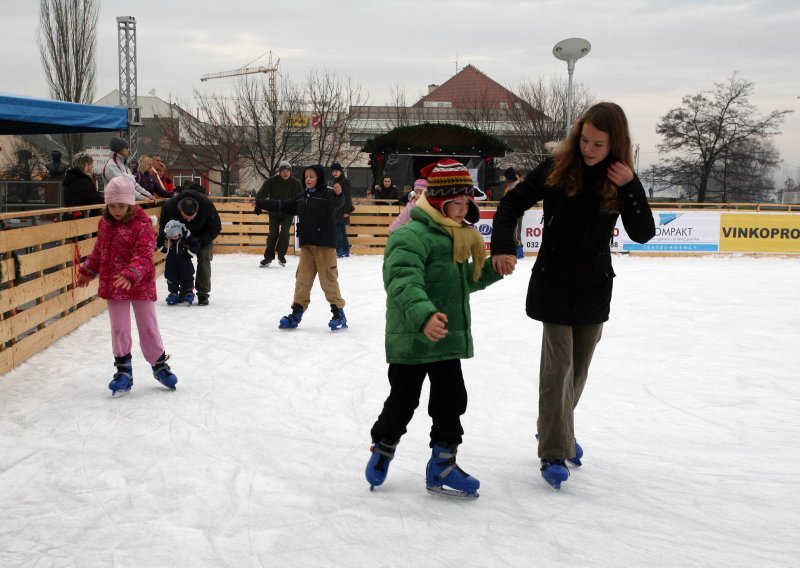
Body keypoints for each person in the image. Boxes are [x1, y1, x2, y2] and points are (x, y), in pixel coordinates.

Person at [490, 102, 656, 490]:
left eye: (598, 143)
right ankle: (553, 448)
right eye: (584, 140)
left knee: (578, 370)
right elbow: (512, 202)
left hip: (595, 285)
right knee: (558, 368)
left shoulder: (620, 178)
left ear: (615, 143)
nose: (589, 148)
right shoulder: (557, 167)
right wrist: (501, 245)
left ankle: (554, 429)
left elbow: (643, 232)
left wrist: (631, 186)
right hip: (554, 279)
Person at [365, 158, 503, 500]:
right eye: (458, 202)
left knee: (452, 400)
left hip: (444, 338)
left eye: (467, 202)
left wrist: (493, 270)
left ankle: (443, 462)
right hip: (413, 338)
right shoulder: (410, 235)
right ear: (441, 201)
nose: (464, 209)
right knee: (403, 401)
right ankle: (383, 446)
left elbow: (460, 285)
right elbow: (402, 281)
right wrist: (424, 315)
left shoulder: (456, 236)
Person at [75, 176, 179, 397]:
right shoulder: (105, 224)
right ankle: (123, 371)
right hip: (115, 285)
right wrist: (87, 271)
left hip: (139, 283)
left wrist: (131, 274)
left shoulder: (141, 225)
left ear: (131, 203)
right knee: (119, 329)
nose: (116, 210)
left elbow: (144, 255)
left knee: (148, 327)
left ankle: (159, 365)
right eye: (111, 205)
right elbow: (98, 252)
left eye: (121, 205)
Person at [253, 164, 347, 331]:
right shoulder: (302, 197)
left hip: (325, 245)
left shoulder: (327, 193)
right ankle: (296, 313)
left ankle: (338, 313)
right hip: (307, 246)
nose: (308, 179)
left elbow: (337, 203)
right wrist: (260, 202)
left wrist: (339, 194)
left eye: (311, 176)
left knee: (328, 280)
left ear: (319, 178)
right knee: (302, 280)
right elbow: (282, 204)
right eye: (306, 177)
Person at [158, 185, 221, 306]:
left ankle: (203, 293)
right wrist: (165, 239)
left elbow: (216, 227)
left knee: (204, 258)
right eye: (184, 217)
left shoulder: (206, 205)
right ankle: (184, 290)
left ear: (197, 210)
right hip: (180, 238)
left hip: (202, 235)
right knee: (180, 260)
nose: (188, 220)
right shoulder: (169, 206)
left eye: (191, 218)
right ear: (179, 209)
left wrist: (198, 242)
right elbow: (163, 228)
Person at [255, 161, 303, 267]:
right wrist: (259, 204)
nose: (285, 173)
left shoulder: (296, 183)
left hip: (288, 213)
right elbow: (262, 193)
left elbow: (301, 197)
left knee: (285, 233)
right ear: (280, 172)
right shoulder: (272, 181)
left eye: (287, 171)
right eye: (283, 171)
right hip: (274, 212)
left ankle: (281, 254)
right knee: (272, 235)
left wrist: (302, 210)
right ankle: (268, 257)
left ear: (290, 172)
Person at [157, 219, 201, 305]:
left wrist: (187, 251)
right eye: (170, 236)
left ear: (180, 233)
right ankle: (173, 293)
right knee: (171, 276)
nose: (172, 238)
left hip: (184, 259)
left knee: (187, 275)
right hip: (171, 260)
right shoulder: (165, 236)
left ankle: (188, 292)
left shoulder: (186, 236)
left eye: (174, 236)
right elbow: (159, 242)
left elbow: (196, 243)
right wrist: (164, 245)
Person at [102, 137, 154, 201]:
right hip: (115, 205)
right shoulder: (111, 166)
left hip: (126, 204)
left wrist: (149, 195)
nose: (129, 150)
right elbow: (123, 187)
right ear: (119, 149)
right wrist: (141, 197)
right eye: (126, 148)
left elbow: (134, 184)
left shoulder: (125, 165)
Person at [62, 152, 104, 218]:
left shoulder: (71, 178)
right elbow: (95, 199)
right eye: (90, 164)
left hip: (72, 216)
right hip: (82, 218)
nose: (92, 167)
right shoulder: (82, 181)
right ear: (85, 165)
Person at [330, 162, 354, 258]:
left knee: (338, 230)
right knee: (341, 230)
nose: (335, 173)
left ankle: (339, 249)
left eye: (336, 171)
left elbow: (348, 197)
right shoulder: (334, 181)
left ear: (340, 171)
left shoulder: (345, 181)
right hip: (337, 209)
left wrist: (347, 211)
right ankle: (345, 250)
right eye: (333, 171)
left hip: (342, 209)